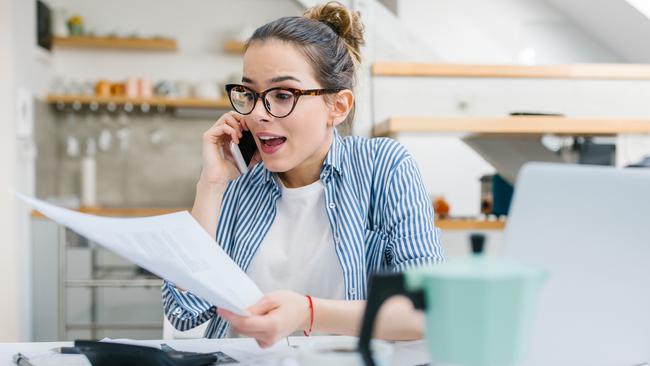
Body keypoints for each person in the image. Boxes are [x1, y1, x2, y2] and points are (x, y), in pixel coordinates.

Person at [162, 1, 444, 347]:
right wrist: (211, 185)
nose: (259, 115)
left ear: (337, 107)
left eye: (282, 95)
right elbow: (183, 310)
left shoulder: (383, 167)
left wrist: (308, 313)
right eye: (250, 93)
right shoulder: (236, 179)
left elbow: (427, 310)